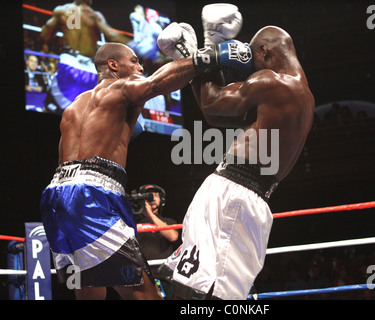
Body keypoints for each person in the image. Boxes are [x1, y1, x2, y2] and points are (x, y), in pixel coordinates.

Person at [156, 7, 315, 299]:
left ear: (265, 52)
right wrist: (201, 58)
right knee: (206, 288)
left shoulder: (272, 81)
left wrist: (205, 51)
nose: (250, 67)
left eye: (253, 58)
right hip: (246, 196)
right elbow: (216, 116)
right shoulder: (303, 95)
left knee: (207, 291)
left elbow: (212, 103)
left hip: (234, 196)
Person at [40, 36, 202, 300]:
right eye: (134, 61)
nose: (140, 68)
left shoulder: (74, 106)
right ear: (114, 65)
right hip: (91, 197)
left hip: (57, 196)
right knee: (141, 290)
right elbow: (156, 83)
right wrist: (203, 59)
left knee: (89, 289)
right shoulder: (122, 88)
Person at [132, 184, 179, 298]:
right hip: (142, 276)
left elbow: (173, 236)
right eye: (149, 195)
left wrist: (151, 215)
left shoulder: (168, 221)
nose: (152, 197)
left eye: (156, 195)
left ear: (161, 200)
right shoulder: (133, 223)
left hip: (164, 275)